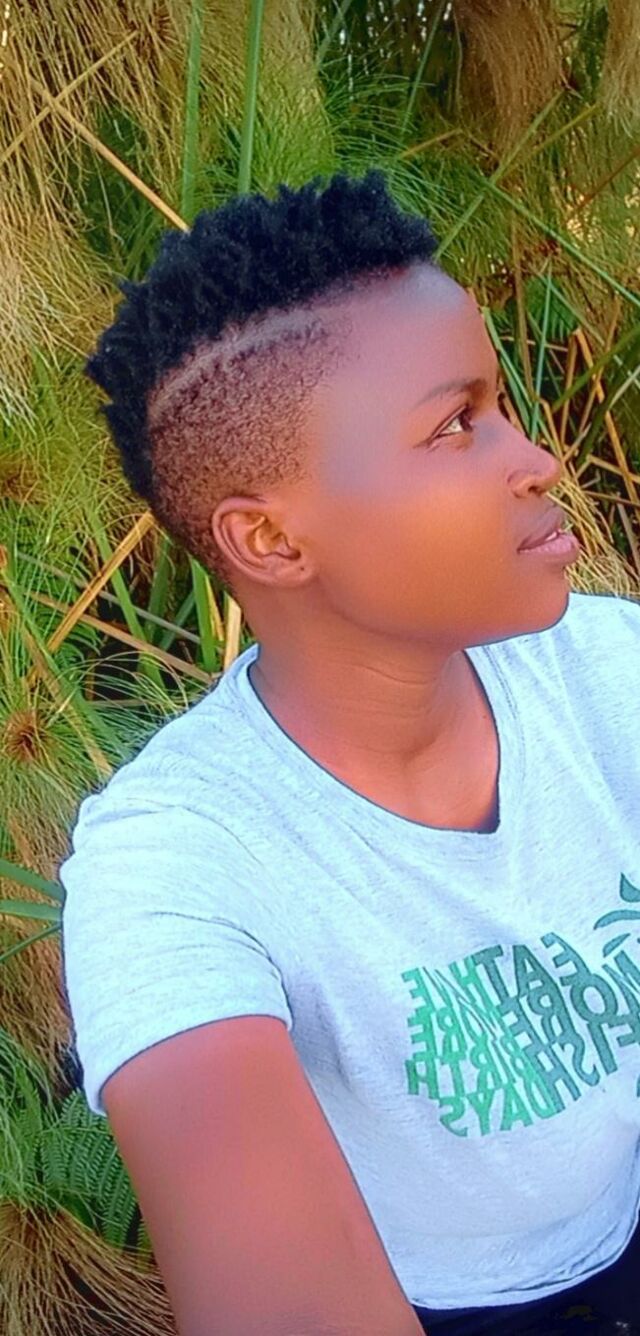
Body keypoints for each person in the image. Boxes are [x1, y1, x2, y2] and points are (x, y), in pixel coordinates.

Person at [59, 169, 640, 1335]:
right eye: (455, 424)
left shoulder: (606, 670)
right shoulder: (171, 861)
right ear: (271, 539)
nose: (536, 460)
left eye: (500, 407)